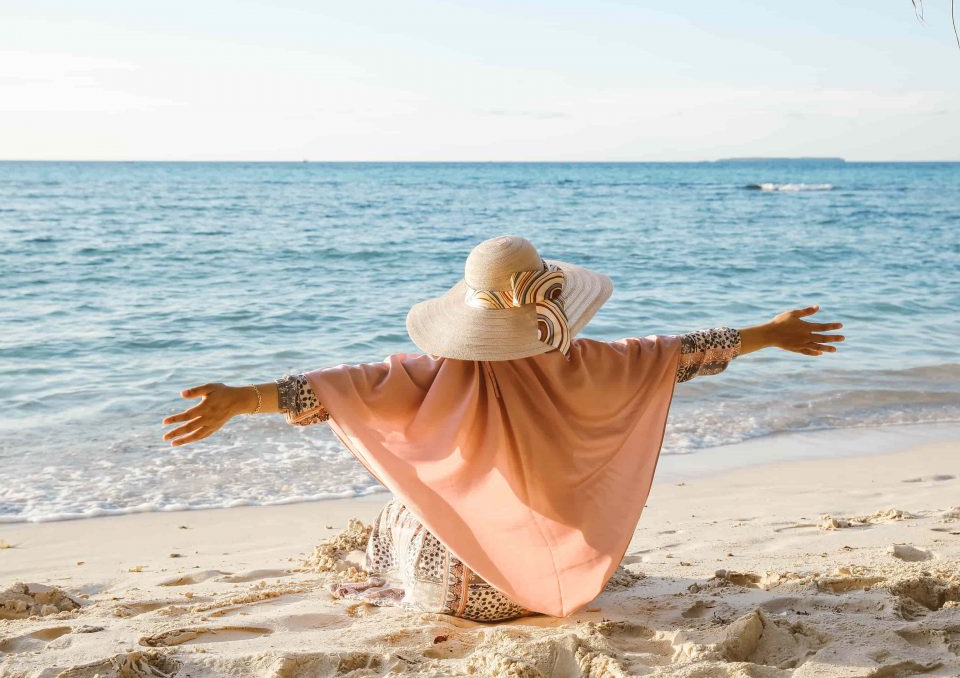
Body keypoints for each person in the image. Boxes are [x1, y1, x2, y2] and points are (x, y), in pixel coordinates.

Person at [162, 235, 844, 622]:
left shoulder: (429, 376)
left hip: (449, 588)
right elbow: (680, 350)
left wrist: (240, 398)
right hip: (526, 591)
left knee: (403, 506)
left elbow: (332, 387)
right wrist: (772, 333)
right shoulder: (594, 365)